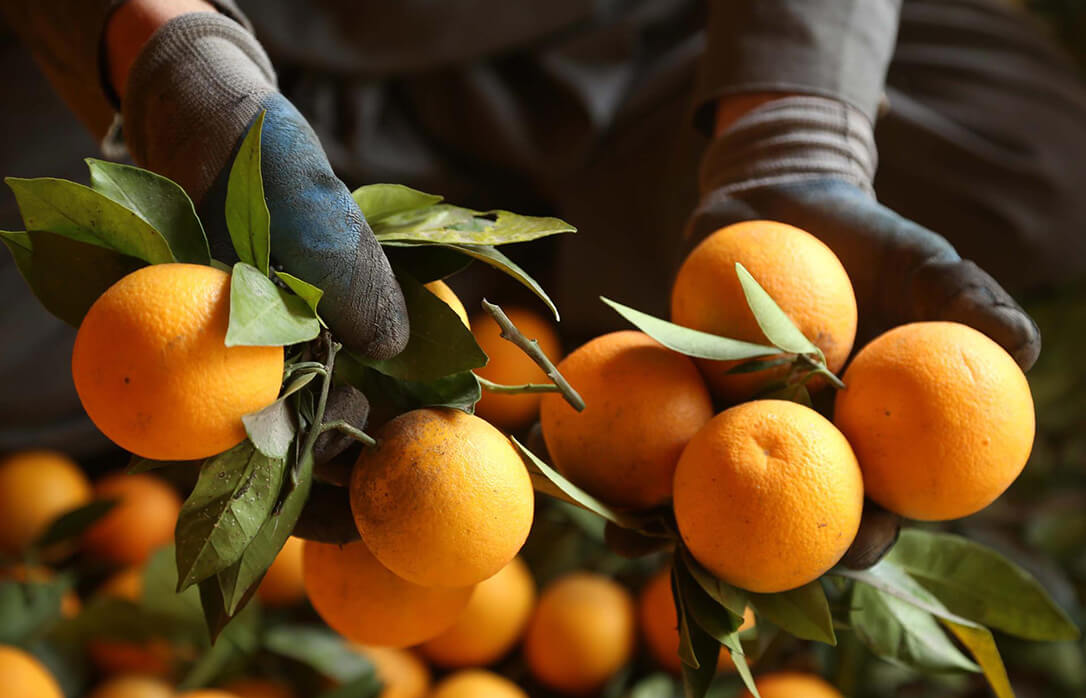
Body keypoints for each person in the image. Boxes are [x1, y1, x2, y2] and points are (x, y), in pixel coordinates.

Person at [1, 0, 1083, 457]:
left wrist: (790, 127)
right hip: (242, 38)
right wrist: (159, 47)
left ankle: (500, 284)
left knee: (1042, 160)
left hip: (641, 36)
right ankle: (480, 288)